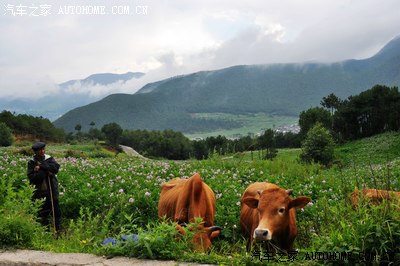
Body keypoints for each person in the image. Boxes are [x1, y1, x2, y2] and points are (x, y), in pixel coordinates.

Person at [27, 142, 61, 234]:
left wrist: (41, 166)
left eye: (43, 149)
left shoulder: (49, 159)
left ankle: (57, 232)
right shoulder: (31, 162)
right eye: (40, 150)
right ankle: (44, 232)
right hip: (40, 192)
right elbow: (33, 178)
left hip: (52, 191)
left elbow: (56, 168)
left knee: (56, 212)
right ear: (35, 152)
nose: (42, 151)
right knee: (42, 213)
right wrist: (46, 171)